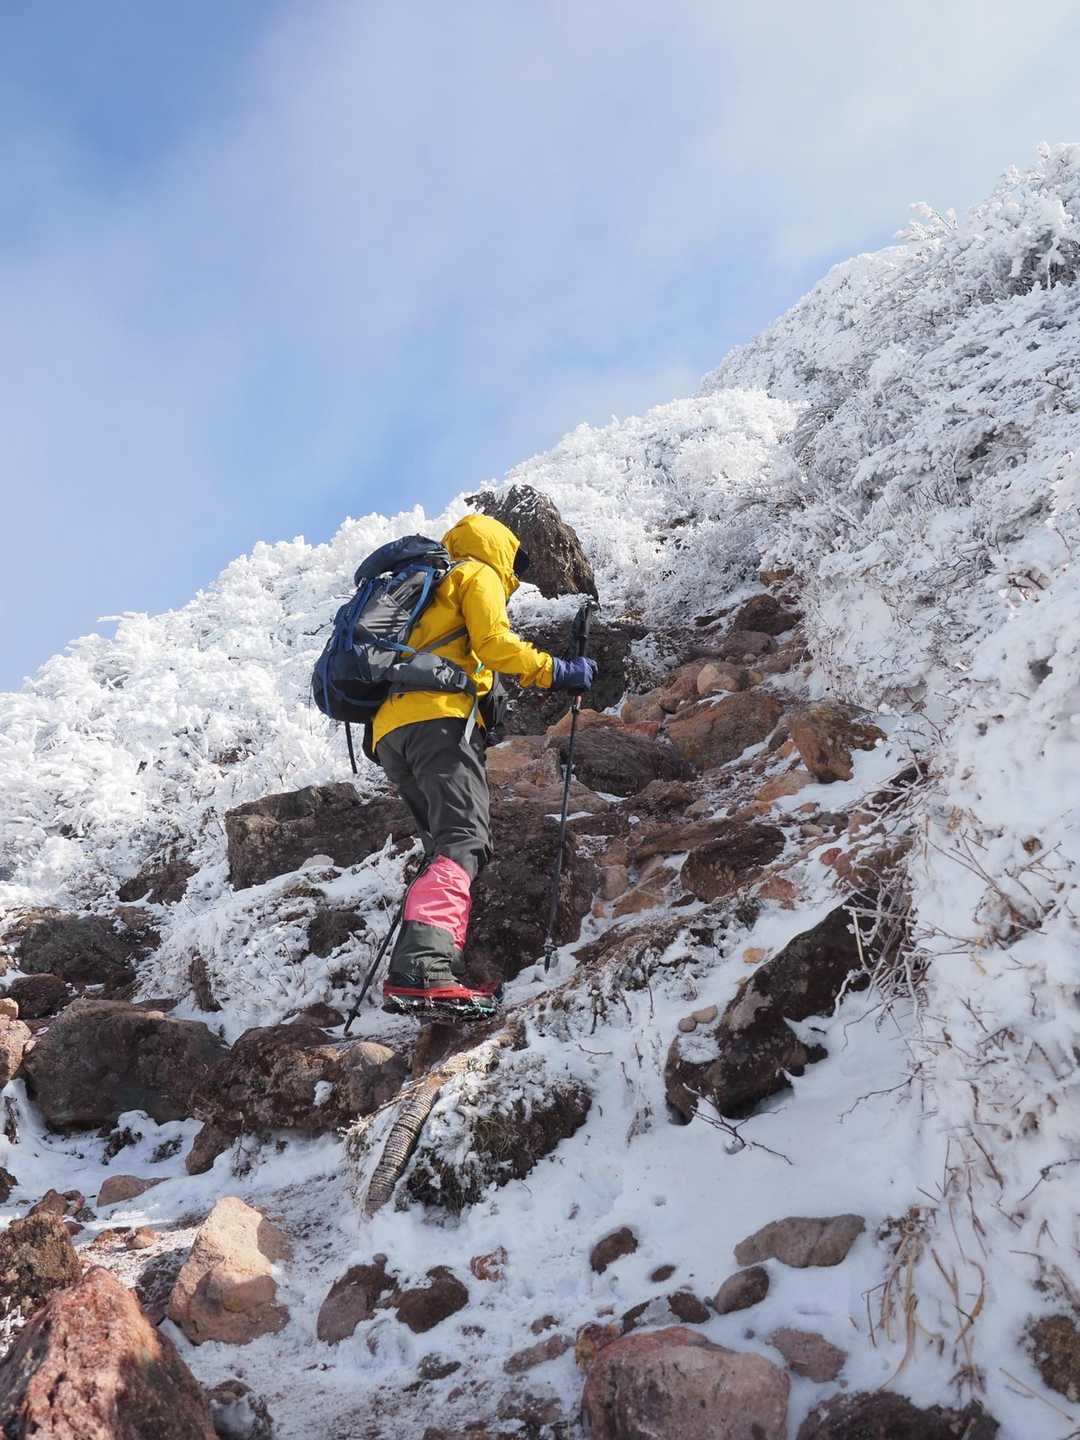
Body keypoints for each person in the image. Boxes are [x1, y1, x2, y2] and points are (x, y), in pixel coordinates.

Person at [373, 512, 596, 1021]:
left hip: (390, 733)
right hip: (437, 722)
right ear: (502, 549)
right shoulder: (477, 573)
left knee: (443, 848)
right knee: (463, 840)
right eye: (516, 562)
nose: (516, 574)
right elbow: (494, 645)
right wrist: (559, 671)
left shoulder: (427, 588)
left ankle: (421, 968)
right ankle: (424, 971)